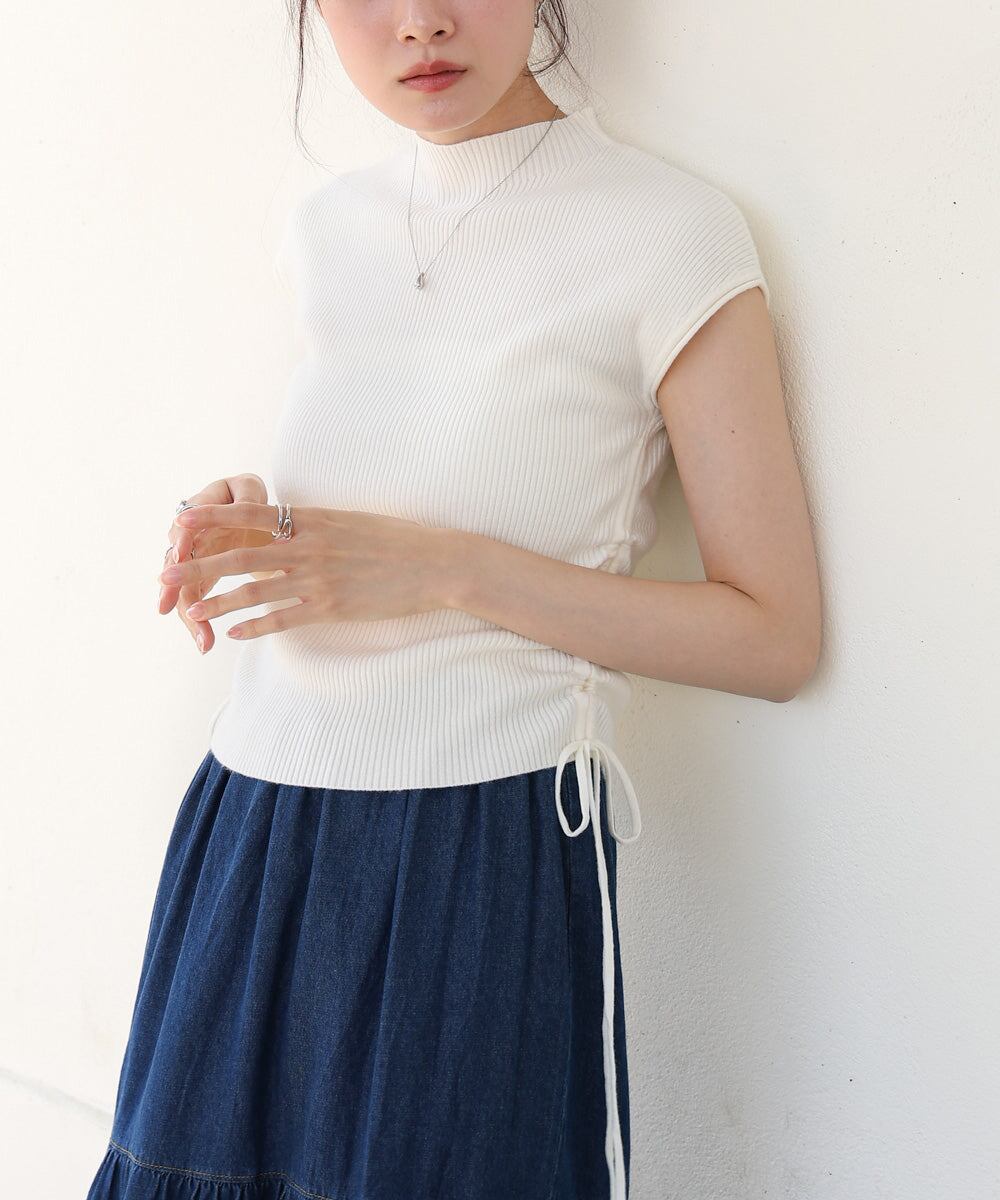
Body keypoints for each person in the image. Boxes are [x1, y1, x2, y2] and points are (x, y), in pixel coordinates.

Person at [86, 2, 820, 1198]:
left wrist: (446, 570)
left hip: (476, 847)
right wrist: (245, 522)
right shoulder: (322, 226)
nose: (420, 21)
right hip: (251, 829)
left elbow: (774, 636)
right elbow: (363, 487)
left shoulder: (666, 233)